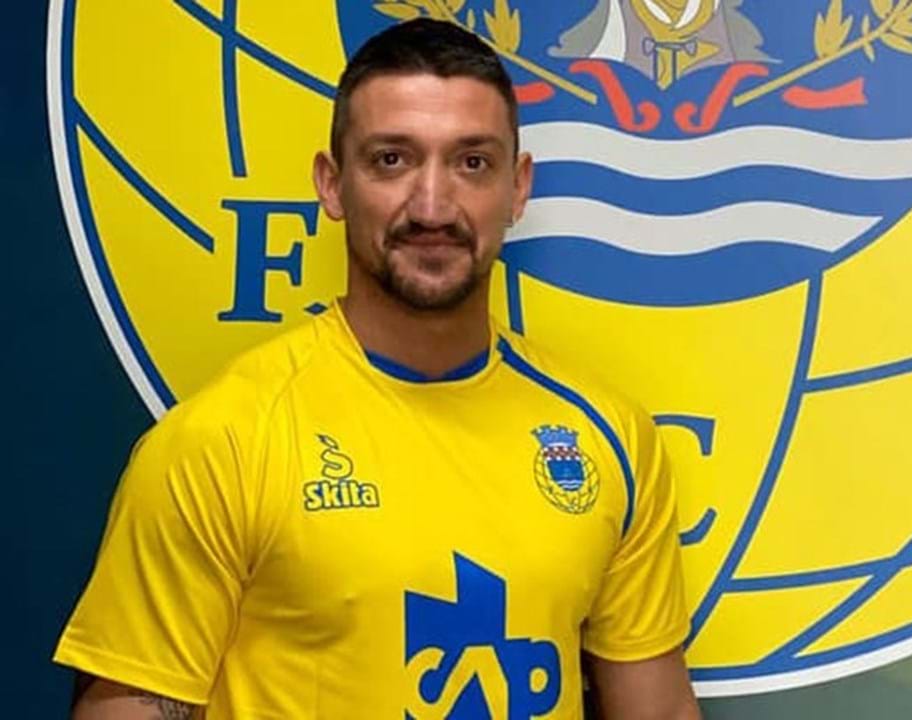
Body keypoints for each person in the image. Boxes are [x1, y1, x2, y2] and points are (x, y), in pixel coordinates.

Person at [55, 17, 700, 720]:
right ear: (332, 186)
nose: (432, 205)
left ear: (518, 190)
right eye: (392, 160)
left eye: (472, 162)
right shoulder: (223, 442)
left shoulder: (609, 439)